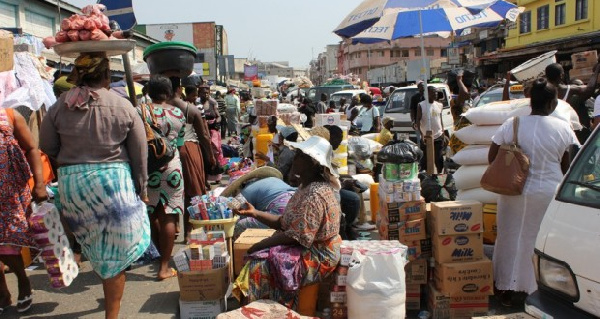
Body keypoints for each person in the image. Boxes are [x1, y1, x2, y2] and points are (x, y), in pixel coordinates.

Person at [40, 52, 150, 319]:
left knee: (97, 247)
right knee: (115, 254)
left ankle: (109, 302)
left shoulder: (59, 106)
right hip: (113, 183)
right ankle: (111, 314)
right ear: (105, 76)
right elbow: (139, 154)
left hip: (73, 185)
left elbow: (47, 146)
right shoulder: (123, 106)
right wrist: (143, 189)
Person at [489, 78, 579, 307]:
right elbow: (566, 165)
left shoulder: (513, 123)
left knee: (509, 238)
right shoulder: (564, 128)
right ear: (552, 103)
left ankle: (505, 288)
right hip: (547, 191)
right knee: (537, 242)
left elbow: (492, 157)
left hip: (513, 191)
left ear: (531, 101)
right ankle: (535, 290)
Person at [233, 136, 341, 308]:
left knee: (258, 265)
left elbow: (296, 236)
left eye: (300, 155)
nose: (295, 159)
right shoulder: (304, 187)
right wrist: (254, 213)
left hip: (319, 254)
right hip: (306, 244)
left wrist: (260, 245)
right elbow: (283, 222)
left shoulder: (315, 194)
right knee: (257, 257)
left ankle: (270, 309)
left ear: (313, 163)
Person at [0, 107, 47, 314]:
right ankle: (2, 292)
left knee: (7, 244)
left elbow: (32, 149)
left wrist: (39, 184)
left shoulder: (9, 115)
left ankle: (22, 280)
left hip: (10, 192)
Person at [139, 75, 186, 281]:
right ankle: (164, 266)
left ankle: (159, 257)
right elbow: (181, 144)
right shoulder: (178, 112)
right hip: (172, 167)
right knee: (169, 215)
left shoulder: (139, 111)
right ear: (169, 93)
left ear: (148, 91)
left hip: (148, 168)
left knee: (152, 213)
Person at [168, 77, 215, 241]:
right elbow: (203, 137)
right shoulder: (190, 109)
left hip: (166, 151)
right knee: (192, 192)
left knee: (170, 193)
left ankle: (174, 227)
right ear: (180, 89)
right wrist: (211, 157)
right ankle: (188, 232)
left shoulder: (160, 107)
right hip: (188, 149)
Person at [417, 86, 445, 173]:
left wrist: (443, 131)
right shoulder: (421, 105)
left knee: (438, 157)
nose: (435, 94)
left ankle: (439, 173)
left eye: (436, 92)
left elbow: (440, 119)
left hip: (438, 135)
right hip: (426, 136)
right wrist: (421, 134)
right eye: (433, 92)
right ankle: (425, 175)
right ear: (427, 93)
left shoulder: (439, 105)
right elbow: (418, 120)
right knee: (425, 158)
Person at [200, 84, 224, 182]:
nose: (205, 95)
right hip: (201, 132)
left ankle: (217, 175)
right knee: (203, 155)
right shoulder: (196, 103)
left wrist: (215, 121)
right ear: (199, 93)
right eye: (203, 93)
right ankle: (204, 178)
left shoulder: (212, 102)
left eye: (207, 93)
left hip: (212, 132)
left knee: (215, 154)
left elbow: (218, 116)